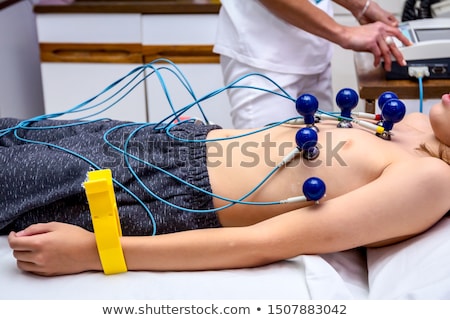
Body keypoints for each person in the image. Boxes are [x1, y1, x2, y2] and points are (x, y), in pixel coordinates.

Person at [3, 93, 450, 276]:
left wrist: (95, 253)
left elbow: (262, 242)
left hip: (151, 190)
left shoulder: (431, 180)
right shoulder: (412, 127)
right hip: (160, 140)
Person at [213, 0, 412, 128]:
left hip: (314, 52)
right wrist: (342, 32)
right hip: (262, 57)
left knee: (318, 164)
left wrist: (361, 6)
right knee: (270, 171)